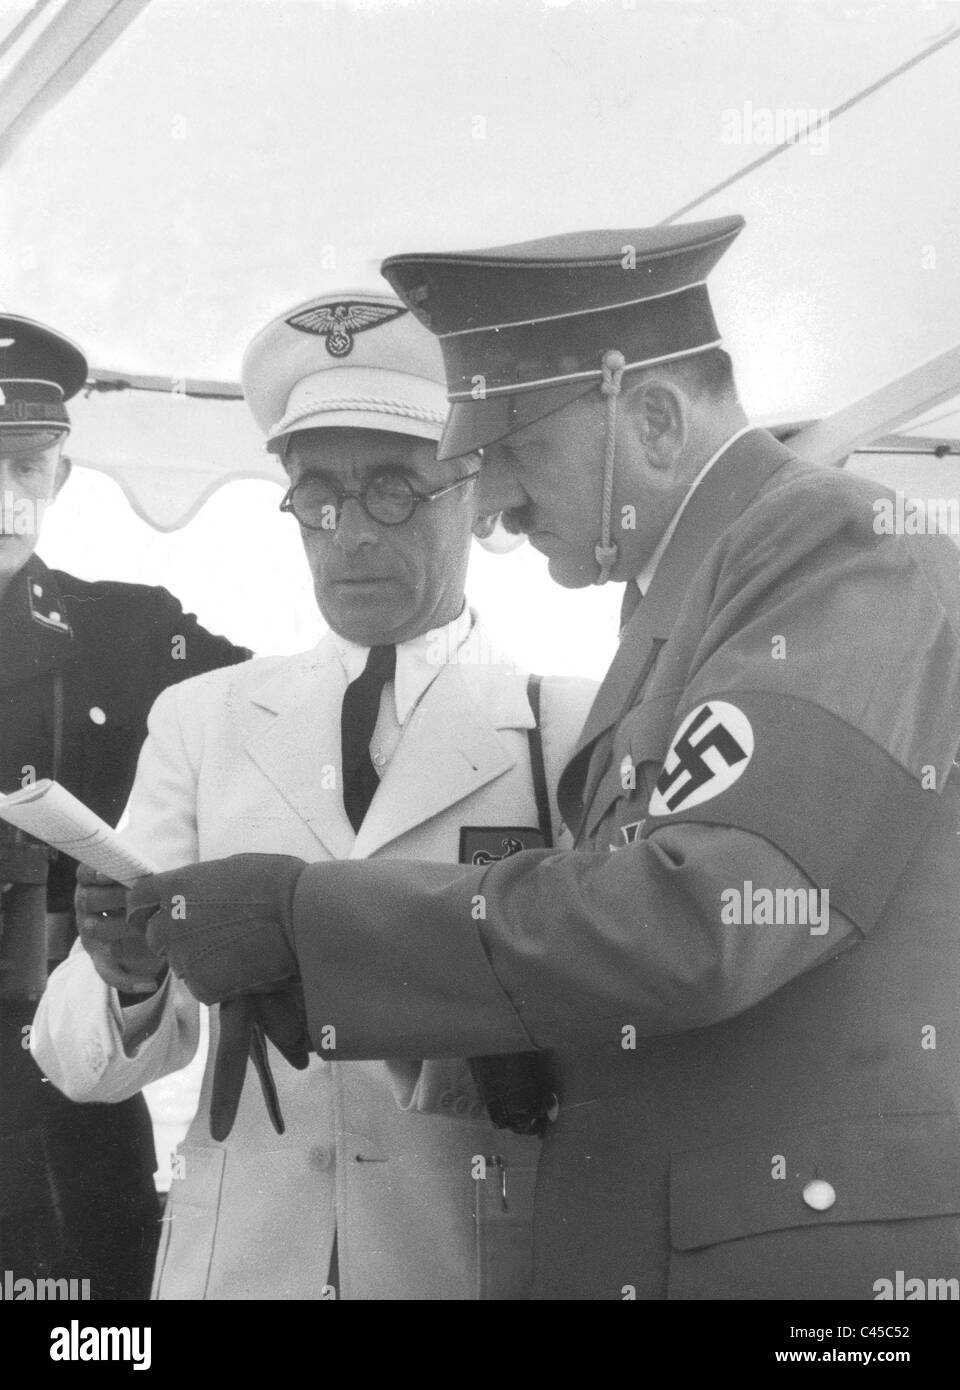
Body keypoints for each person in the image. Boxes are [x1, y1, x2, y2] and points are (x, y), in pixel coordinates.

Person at [41, 218, 960, 1300]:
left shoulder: (829, 546)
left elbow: (709, 914)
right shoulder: (681, 610)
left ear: (653, 419)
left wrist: (303, 924)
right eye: (317, 500)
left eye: (506, 456)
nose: (501, 514)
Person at [32, 292, 596, 1300]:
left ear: (473, 490)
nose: (349, 534)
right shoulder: (202, 720)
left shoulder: (566, 730)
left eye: (392, 489)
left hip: (463, 1264)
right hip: (241, 1268)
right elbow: (84, 1063)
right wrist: (124, 976)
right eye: (317, 494)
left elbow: (618, 1026)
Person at [0, 314, 249, 1298]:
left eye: (24, 462)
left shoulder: (133, 635)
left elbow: (301, 720)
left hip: (62, 1119)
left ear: (60, 473)